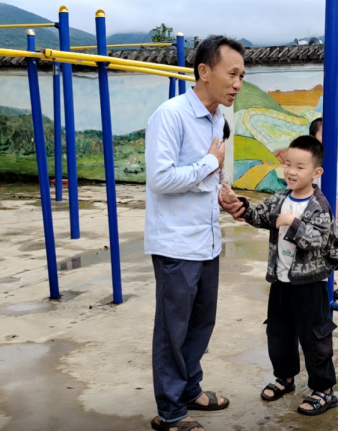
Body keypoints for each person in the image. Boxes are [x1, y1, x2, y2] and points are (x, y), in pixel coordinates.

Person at [144, 35, 245, 431]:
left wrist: (223, 193)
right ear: (204, 71)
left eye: (241, 76)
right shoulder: (170, 116)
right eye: (231, 74)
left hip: (207, 241)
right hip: (176, 243)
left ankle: (189, 390)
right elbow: (160, 179)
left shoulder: (218, 118)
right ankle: (170, 412)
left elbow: (207, 176)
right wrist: (208, 164)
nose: (237, 83)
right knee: (173, 330)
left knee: (201, 323)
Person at [219, 135, 338, 416]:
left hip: (309, 285)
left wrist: (292, 223)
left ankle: (324, 390)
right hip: (281, 280)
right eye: (288, 164)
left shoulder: (319, 205)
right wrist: (238, 203)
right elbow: (259, 215)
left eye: (300, 167)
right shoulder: (281, 198)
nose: (291, 171)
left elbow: (319, 242)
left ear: (316, 172)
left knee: (315, 338)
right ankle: (285, 377)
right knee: (278, 332)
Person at [310, 117, 338, 300]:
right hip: (304, 214)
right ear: (313, 138)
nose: (329, 139)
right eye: (324, 134)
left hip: (324, 216)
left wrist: (333, 219)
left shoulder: (335, 166)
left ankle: (331, 279)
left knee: (335, 233)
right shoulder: (307, 164)